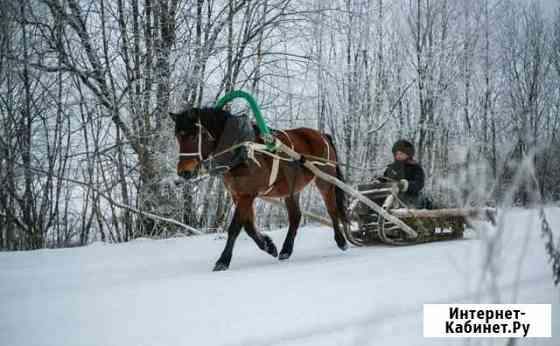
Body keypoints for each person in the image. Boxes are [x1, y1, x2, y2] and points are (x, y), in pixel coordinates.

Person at [383, 139, 432, 209]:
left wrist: (405, 185)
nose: (398, 156)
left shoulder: (415, 167)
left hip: (410, 199)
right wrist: (378, 182)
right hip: (389, 197)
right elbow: (385, 179)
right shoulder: (391, 168)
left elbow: (419, 183)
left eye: (401, 154)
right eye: (397, 154)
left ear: (408, 155)